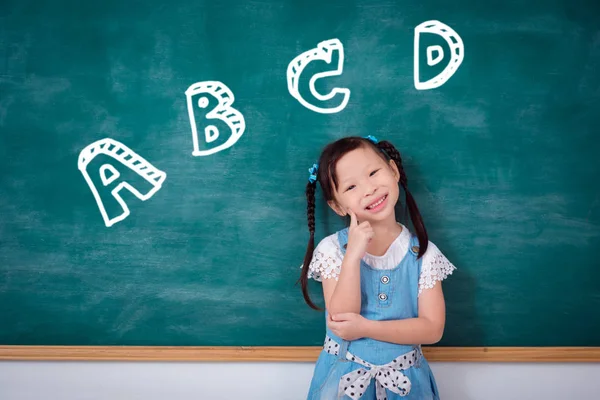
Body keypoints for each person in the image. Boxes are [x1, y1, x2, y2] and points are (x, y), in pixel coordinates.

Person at [299, 135, 456, 399]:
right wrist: (353, 257)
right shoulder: (333, 250)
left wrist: (366, 328)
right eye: (351, 187)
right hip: (343, 381)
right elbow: (340, 319)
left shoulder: (423, 253)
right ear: (337, 206)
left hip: (406, 383)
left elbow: (432, 329)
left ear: (393, 171)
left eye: (373, 172)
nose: (369, 189)